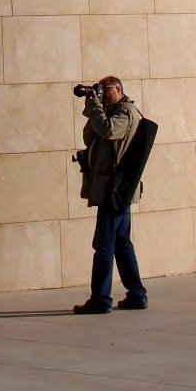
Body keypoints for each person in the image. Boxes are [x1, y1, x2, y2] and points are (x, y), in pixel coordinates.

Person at [73, 76, 148, 314]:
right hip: (111, 189)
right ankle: (137, 295)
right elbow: (90, 136)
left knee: (104, 245)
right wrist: (94, 106)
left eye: (106, 90)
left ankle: (101, 299)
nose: (102, 94)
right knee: (122, 244)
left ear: (119, 89)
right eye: (100, 90)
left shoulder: (126, 113)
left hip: (114, 191)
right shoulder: (110, 112)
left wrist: (96, 107)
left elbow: (107, 130)